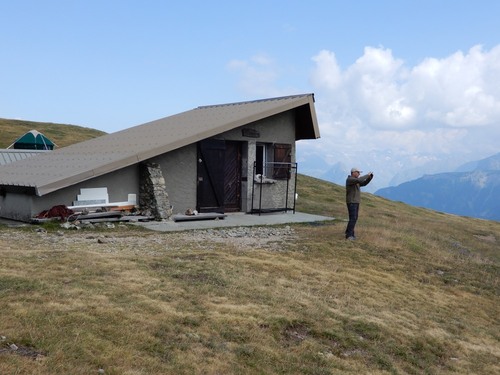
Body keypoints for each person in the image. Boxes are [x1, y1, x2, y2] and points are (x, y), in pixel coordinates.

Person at [345, 167, 373, 240]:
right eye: (358, 172)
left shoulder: (355, 181)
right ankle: (349, 236)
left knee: (354, 218)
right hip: (352, 202)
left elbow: (363, 183)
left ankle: (349, 232)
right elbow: (360, 180)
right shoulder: (350, 179)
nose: (359, 174)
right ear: (353, 172)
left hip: (355, 202)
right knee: (353, 218)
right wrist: (367, 175)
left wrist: (369, 178)